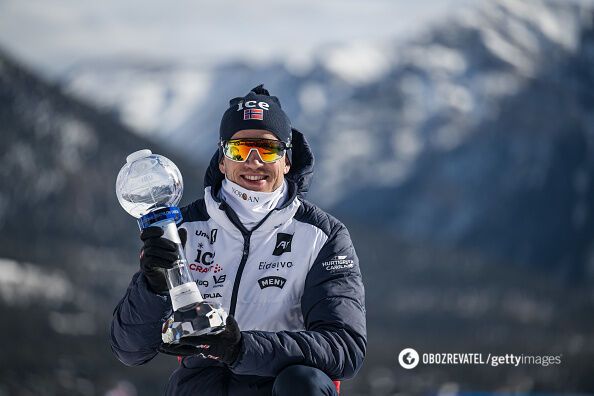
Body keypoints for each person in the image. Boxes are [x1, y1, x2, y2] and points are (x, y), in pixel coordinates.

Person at [110, 85, 366, 396]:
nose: (254, 161)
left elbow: (345, 347)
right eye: (239, 149)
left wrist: (240, 348)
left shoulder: (321, 235)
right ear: (222, 160)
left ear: (287, 160)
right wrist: (152, 288)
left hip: (277, 386)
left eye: (268, 149)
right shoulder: (184, 228)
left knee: (304, 384)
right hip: (200, 388)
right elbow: (130, 350)